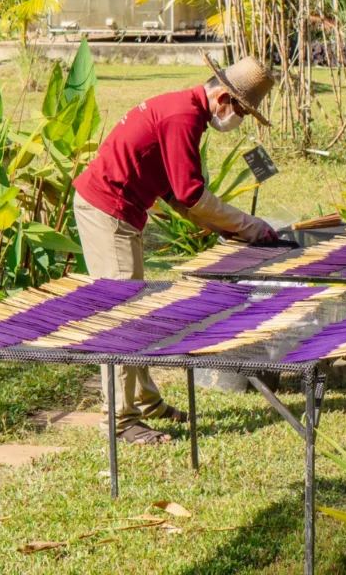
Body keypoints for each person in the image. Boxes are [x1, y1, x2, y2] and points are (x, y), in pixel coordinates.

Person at [72, 54, 279, 444]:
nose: (240, 121)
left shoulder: (186, 110)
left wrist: (214, 226)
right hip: (106, 208)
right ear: (223, 100)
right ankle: (120, 422)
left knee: (133, 311)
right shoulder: (184, 117)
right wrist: (248, 226)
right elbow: (192, 194)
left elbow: (174, 192)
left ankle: (146, 402)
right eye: (243, 113)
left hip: (116, 208)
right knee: (121, 318)